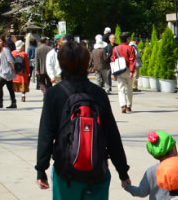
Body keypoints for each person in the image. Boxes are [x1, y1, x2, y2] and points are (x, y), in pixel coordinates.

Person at [35, 39, 131, 197]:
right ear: (86, 63)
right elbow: (112, 135)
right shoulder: (98, 93)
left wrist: (41, 169)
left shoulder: (53, 94)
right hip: (97, 170)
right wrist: (122, 171)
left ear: (62, 63)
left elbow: (46, 133)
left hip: (66, 172)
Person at [125, 130, 177, 200]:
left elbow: (141, 192)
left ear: (154, 156)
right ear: (174, 150)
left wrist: (127, 186)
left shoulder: (151, 171)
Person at [111, 36, 137, 114]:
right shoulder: (130, 48)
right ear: (127, 39)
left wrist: (113, 73)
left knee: (121, 89)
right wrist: (132, 71)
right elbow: (132, 60)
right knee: (129, 89)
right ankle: (129, 106)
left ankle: (123, 105)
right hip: (128, 69)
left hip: (119, 70)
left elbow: (113, 60)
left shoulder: (115, 48)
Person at [0, 37, 17, 109]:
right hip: (6, 71)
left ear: (3, 42)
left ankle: (0, 102)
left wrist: (14, 69)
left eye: (0, 41)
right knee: (10, 87)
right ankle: (13, 103)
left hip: (7, 72)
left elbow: (10, 60)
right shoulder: (2, 50)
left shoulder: (5, 49)